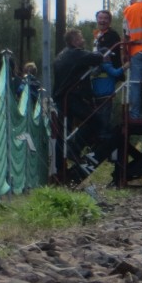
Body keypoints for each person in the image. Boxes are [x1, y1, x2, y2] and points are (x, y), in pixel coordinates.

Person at [52, 29, 108, 178]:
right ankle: (75, 148)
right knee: (95, 120)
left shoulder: (61, 55)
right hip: (71, 97)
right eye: (81, 38)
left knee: (62, 133)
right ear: (75, 41)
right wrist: (103, 52)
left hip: (61, 98)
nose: (83, 40)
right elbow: (95, 58)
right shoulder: (75, 54)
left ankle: (60, 168)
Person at [92, 8, 123, 140]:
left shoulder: (112, 35)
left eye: (105, 18)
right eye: (100, 18)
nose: (102, 21)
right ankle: (100, 130)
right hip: (99, 75)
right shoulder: (97, 35)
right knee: (100, 103)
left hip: (107, 73)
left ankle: (103, 131)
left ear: (109, 21)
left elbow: (107, 54)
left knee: (105, 103)